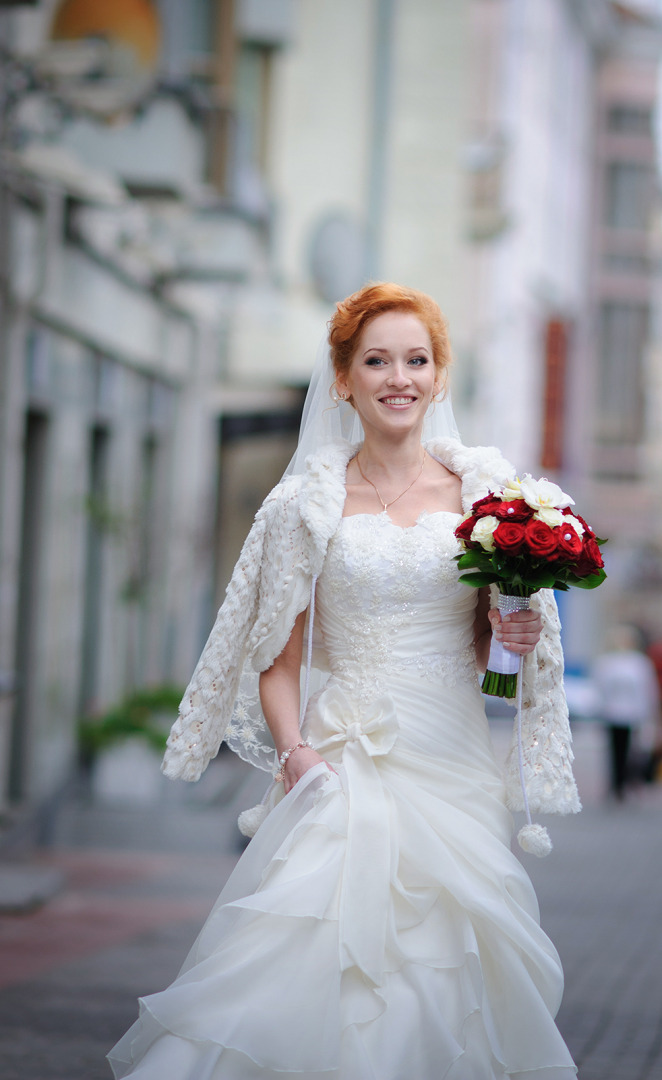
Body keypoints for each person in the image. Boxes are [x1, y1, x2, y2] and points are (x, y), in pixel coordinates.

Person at [108, 283, 580, 1079]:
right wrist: (295, 756)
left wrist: (514, 636)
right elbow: (278, 659)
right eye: (377, 361)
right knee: (307, 958)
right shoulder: (305, 504)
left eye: (417, 360)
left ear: (439, 375)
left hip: (452, 767)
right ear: (343, 380)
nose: (400, 378)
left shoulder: (488, 503)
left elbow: (495, 675)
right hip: (343, 763)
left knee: (448, 972)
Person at [592, 624, 661, 799]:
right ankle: (616, 783)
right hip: (613, 713)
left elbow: (646, 688)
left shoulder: (638, 662)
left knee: (631, 749)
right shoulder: (607, 661)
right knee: (614, 749)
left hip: (632, 713)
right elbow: (600, 687)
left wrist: (647, 710)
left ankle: (626, 781)